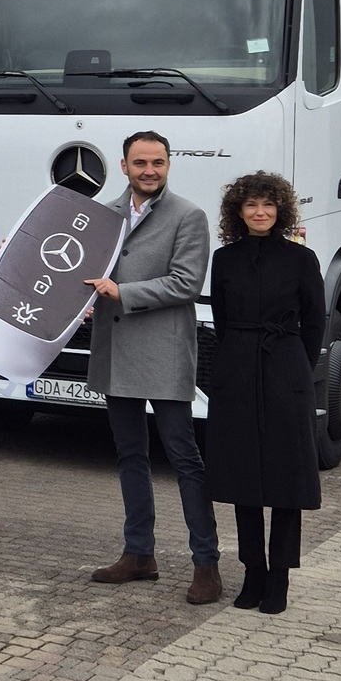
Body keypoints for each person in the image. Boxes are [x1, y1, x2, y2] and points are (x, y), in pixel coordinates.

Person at [84, 131, 222, 604]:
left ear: (169, 165)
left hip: (163, 354)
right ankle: (139, 554)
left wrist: (123, 293)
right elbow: (84, 273)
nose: (149, 170)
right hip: (116, 353)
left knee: (185, 460)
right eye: (140, 162)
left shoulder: (188, 216)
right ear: (123, 166)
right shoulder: (101, 214)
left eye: (158, 162)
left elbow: (186, 283)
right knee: (129, 457)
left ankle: (207, 563)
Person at [205, 171, 324, 615]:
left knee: (286, 478)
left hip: (284, 369)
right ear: (238, 211)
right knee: (243, 476)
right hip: (236, 368)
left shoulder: (300, 259)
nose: (260, 212)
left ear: (281, 211)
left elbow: (315, 320)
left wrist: (296, 366)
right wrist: (238, 356)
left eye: (268, 205)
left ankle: (280, 577)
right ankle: (253, 570)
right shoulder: (225, 259)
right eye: (251, 205)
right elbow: (220, 316)